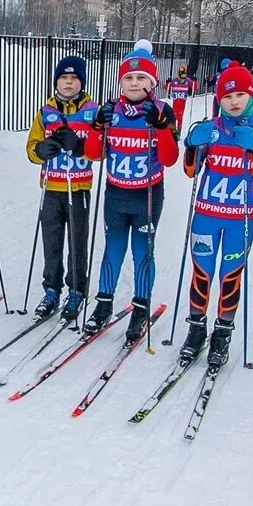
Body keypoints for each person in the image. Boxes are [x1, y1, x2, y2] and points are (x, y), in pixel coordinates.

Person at [82, 40, 179, 342]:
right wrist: (98, 127)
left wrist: (161, 127)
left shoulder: (163, 110)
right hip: (116, 193)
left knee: (142, 252)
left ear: (152, 83)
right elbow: (93, 153)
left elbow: (170, 158)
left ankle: (140, 308)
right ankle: (103, 305)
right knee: (112, 249)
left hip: (147, 195)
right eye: (128, 78)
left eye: (141, 78)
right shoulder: (110, 109)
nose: (134, 83)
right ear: (121, 81)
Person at [177, 65, 253, 368]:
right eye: (228, 95)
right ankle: (196, 328)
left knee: (230, 275)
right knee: (202, 272)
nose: (234, 101)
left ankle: (223, 332)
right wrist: (192, 145)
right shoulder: (211, 127)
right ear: (219, 98)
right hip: (206, 214)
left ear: (251, 95)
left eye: (241, 94)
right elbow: (190, 171)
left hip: (239, 218)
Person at [25, 54, 97, 322]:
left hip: (78, 188)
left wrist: (81, 147)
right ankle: (51, 289)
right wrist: (41, 151)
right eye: (63, 78)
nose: (68, 83)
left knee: (77, 241)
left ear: (82, 82)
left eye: (74, 78)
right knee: (51, 242)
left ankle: (77, 289)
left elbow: (100, 149)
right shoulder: (45, 111)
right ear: (56, 82)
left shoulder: (92, 111)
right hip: (52, 187)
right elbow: (31, 149)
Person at [163, 64, 198, 130]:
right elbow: (166, 87)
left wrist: (194, 81)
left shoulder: (188, 81)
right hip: (176, 101)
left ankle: (179, 130)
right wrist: (168, 82)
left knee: (180, 116)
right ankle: (173, 129)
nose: (182, 78)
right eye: (181, 75)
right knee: (174, 115)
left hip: (182, 101)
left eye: (184, 75)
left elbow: (195, 88)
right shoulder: (174, 81)